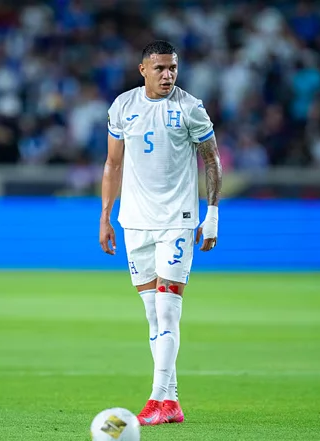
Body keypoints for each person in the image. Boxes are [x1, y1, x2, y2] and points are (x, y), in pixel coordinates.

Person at [99, 40, 222, 426]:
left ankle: (156, 399)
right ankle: (172, 402)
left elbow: (212, 160)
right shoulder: (123, 107)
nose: (168, 75)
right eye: (160, 69)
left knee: (168, 309)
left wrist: (212, 214)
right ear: (143, 70)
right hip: (135, 222)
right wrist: (105, 216)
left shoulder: (190, 107)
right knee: (153, 315)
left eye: (173, 68)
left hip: (177, 221)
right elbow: (113, 164)